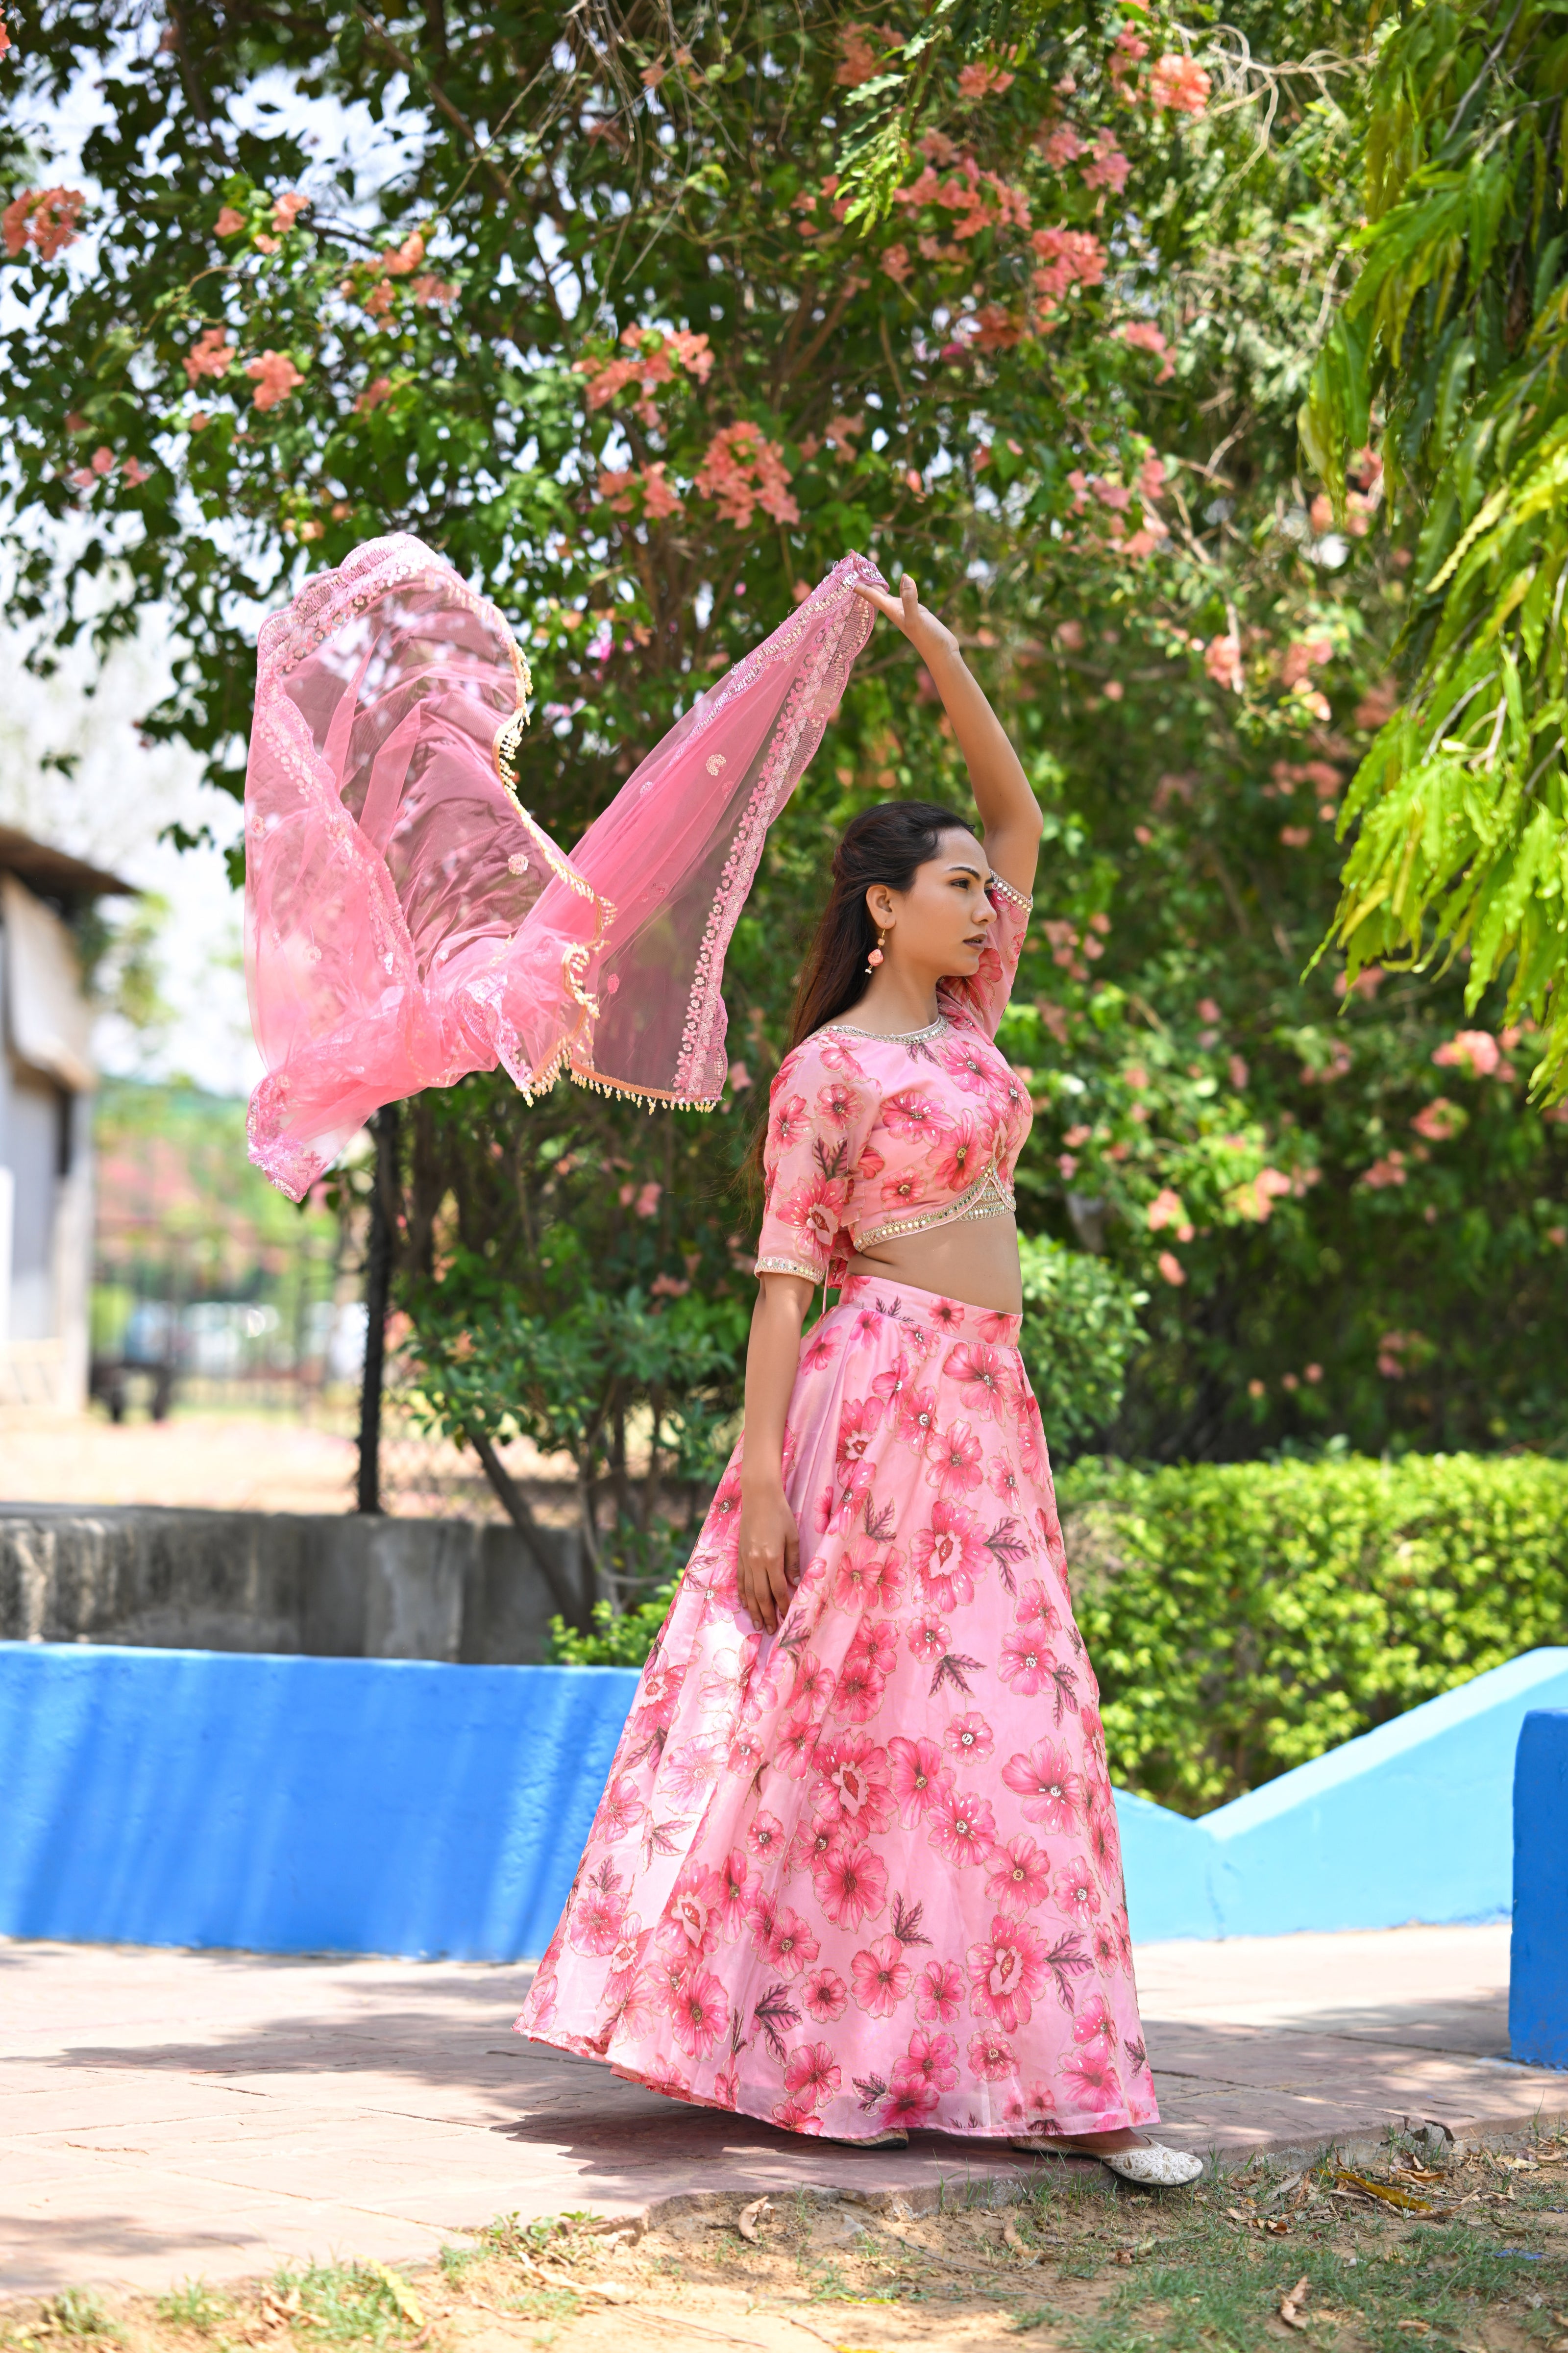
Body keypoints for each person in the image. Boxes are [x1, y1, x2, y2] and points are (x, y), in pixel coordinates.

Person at [516, 575, 1202, 2189]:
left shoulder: (972, 1023)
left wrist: (940, 651)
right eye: (956, 885)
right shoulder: (828, 1070)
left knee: (1022, 1730)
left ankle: (1081, 2087)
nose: (988, 899)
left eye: (984, 888)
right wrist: (763, 1475)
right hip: (875, 1402)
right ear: (883, 908)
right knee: (857, 1733)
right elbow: (784, 1276)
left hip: (988, 1412)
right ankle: (834, 2052)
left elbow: (1023, 815)